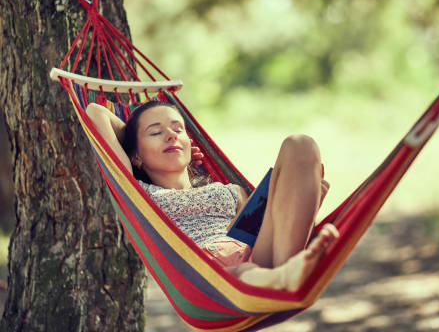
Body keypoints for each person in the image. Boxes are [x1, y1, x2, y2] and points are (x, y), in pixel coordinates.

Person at [86, 101, 338, 292]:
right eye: (156, 132)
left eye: (178, 129)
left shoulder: (228, 190)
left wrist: (306, 198)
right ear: (137, 157)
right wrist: (132, 140)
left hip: (258, 253)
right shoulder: (140, 195)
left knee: (300, 144)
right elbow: (96, 112)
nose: (172, 135)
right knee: (245, 271)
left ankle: (288, 270)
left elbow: (269, 226)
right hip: (210, 275)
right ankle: (282, 278)